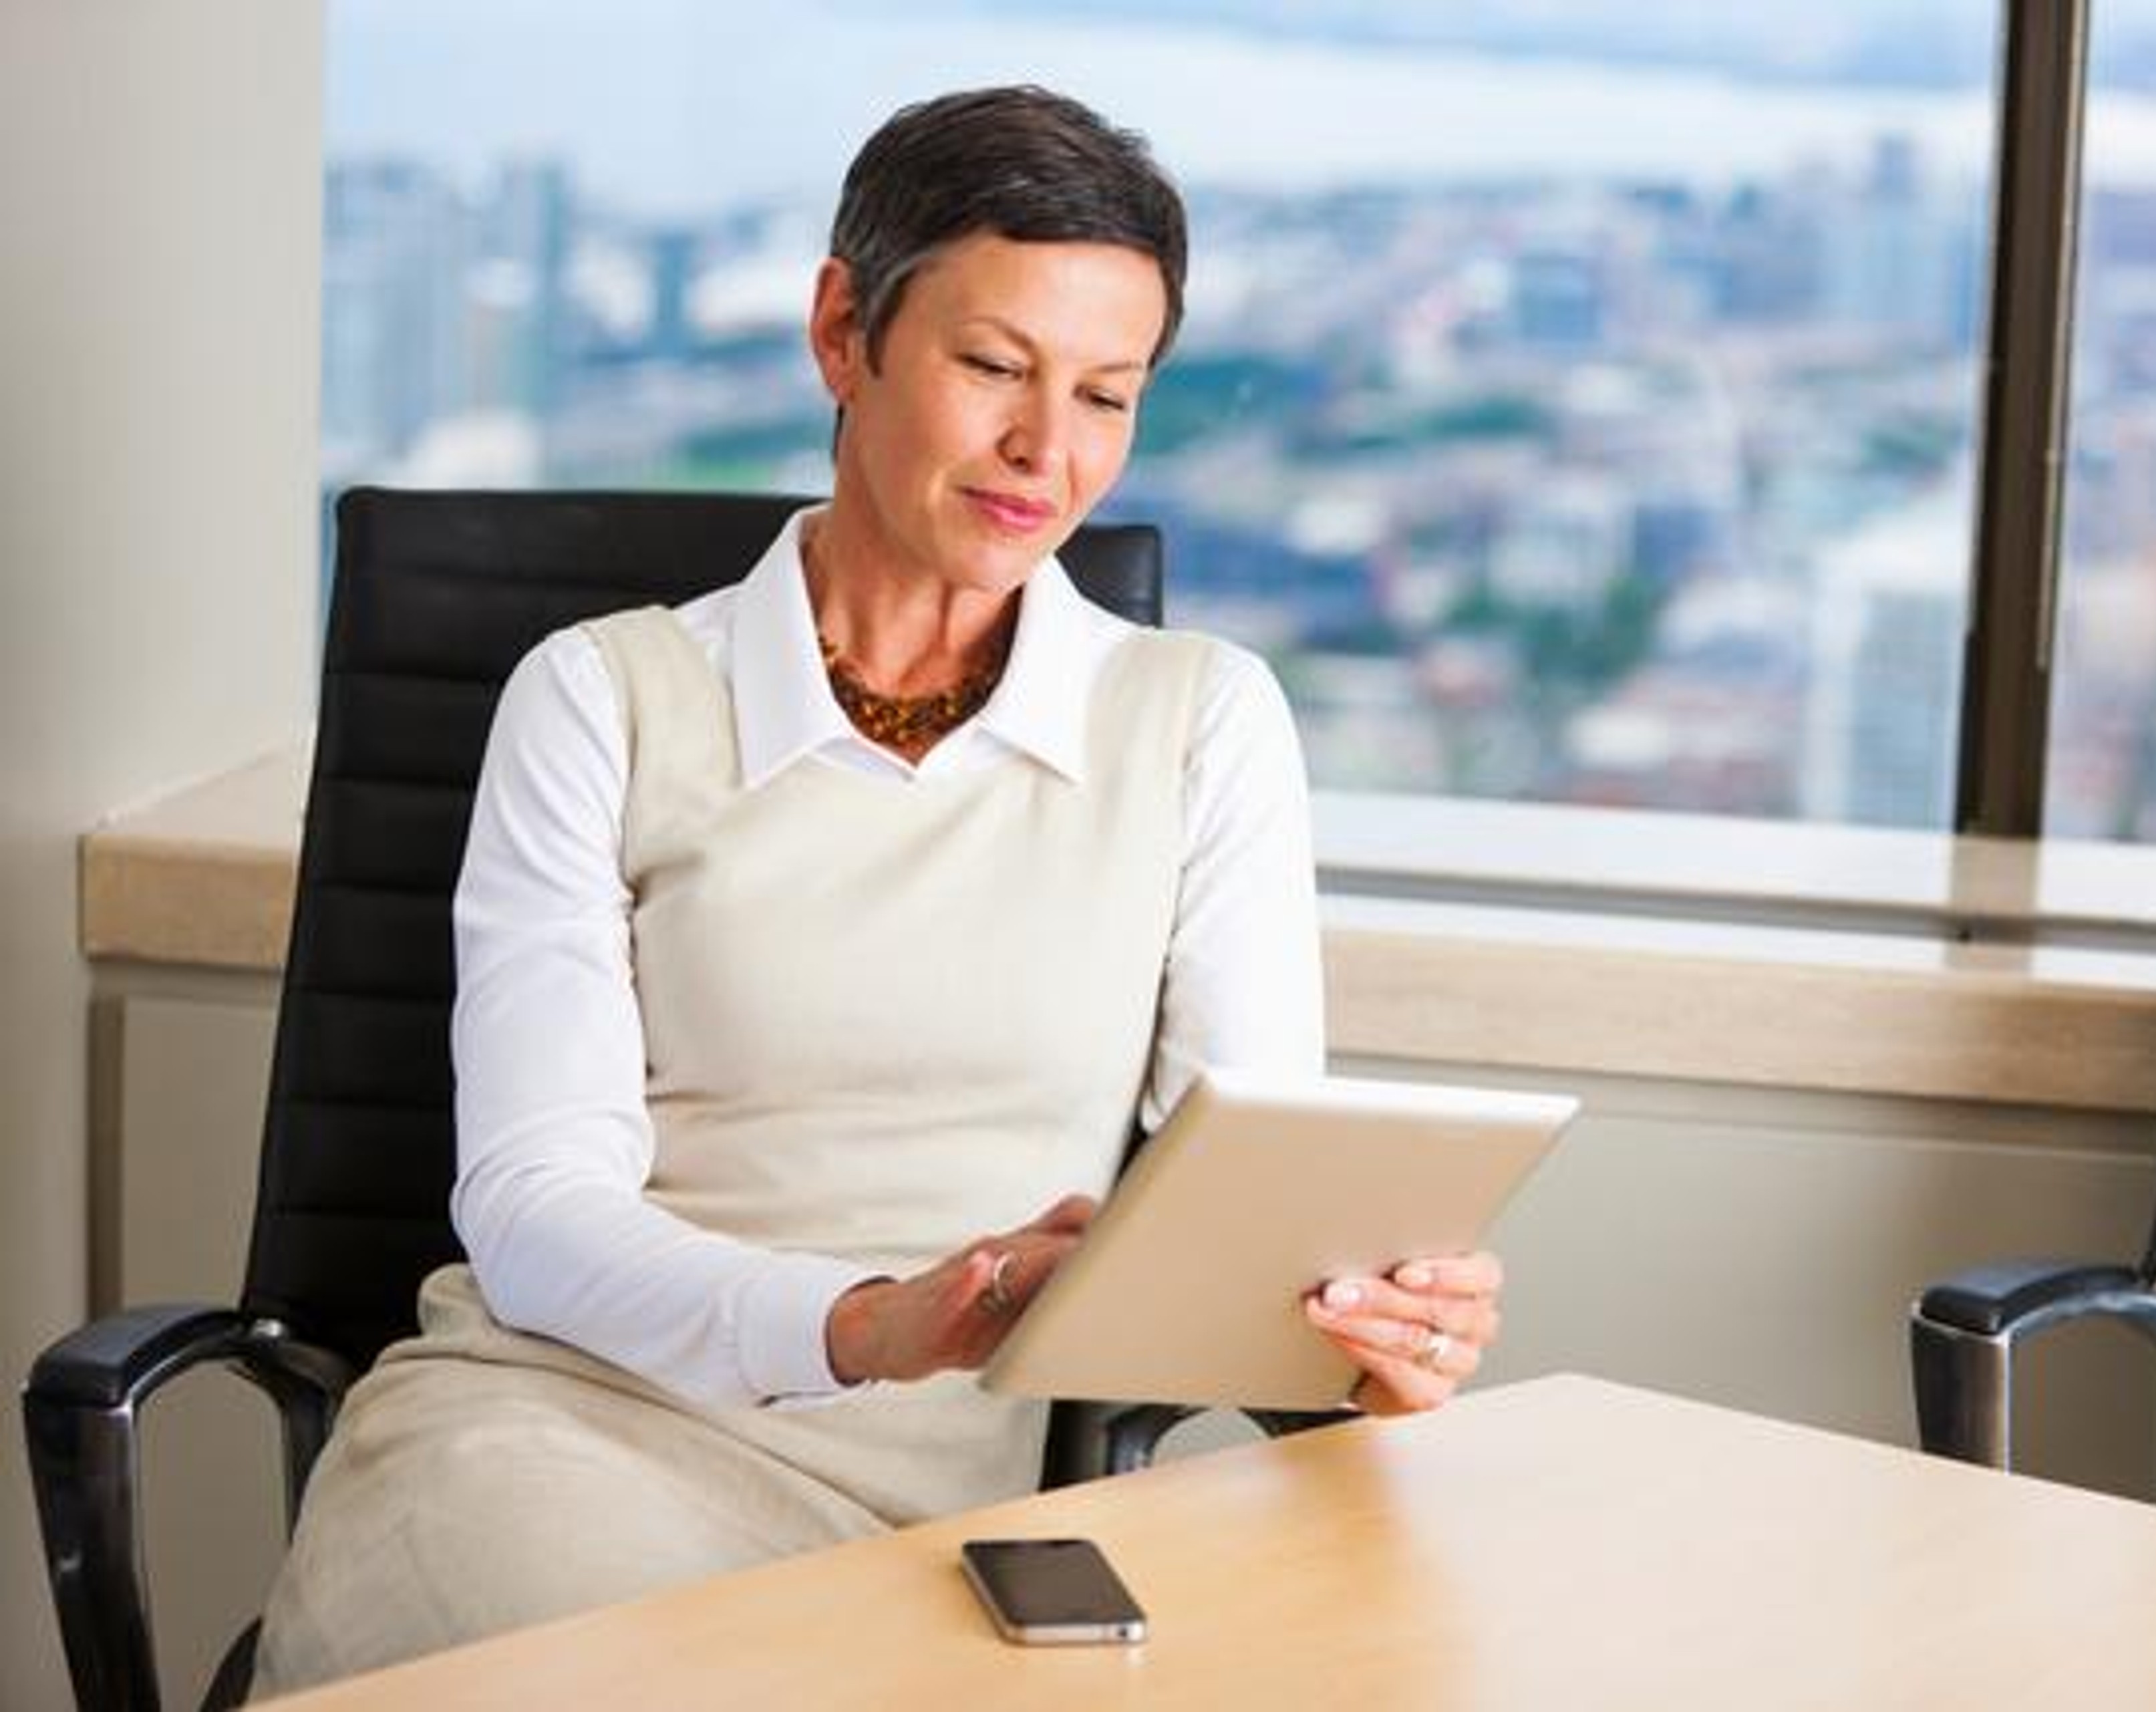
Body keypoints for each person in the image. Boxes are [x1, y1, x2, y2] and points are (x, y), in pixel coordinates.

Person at [251, 85, 1507, 1691]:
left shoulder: (1200, 725)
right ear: (844, 330)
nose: (1048, 455)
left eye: (1108, 396)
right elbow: (535, 1215)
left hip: (939, 1510)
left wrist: (1357, 1344)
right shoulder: (603, 699)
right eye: (994, 368)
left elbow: (1232, 1226)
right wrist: (866, 1323)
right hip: (548, 1431)